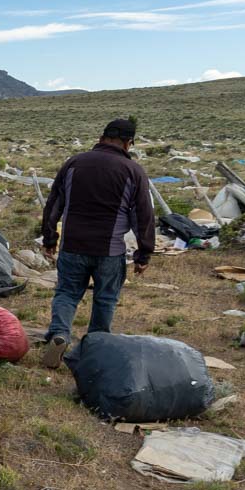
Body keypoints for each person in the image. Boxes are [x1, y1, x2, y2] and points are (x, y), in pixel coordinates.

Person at [40, 118, 154, 368]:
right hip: (110, 250)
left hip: (72, 245)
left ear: (102, 138)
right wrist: (144, 253)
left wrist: (50, 238)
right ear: (128, 143)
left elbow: (54, 204)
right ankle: (95, 348)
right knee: (105, 299)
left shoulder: (73, 163)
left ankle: (59, 334)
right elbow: (143, 215)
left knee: (67, 294)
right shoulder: (133, 171)